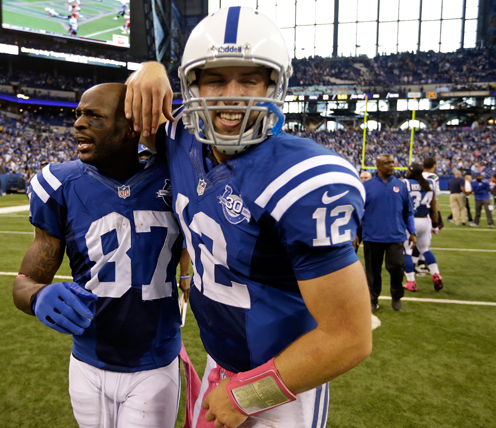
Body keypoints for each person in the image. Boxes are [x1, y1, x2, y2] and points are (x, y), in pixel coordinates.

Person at [126, 7, 372, 428]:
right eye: (216, 79)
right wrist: (147, 69)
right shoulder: (180, 138)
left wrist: (246, 397)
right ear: (192, 84)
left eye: (250, 79)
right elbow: (127, 108)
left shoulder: (303, 177)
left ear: (274, 86)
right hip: (219, 364)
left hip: (285, 382)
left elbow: (349, 338)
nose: (232, 93)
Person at [13, 83, 185, 428]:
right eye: (78, 113)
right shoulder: (60, 183)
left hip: (153, 362)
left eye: (94, 116)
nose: (78, 123)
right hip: (87, 362)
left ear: (131, 127)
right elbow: (25, 282)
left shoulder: (175, 174)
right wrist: (37, 296)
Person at [361, 154, 416, 313]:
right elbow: (357, 212)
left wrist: (412, 231)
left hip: (396, 235)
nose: (392, 165)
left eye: (393, 162)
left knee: (397, 267)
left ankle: (396, 295)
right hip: (372, 236)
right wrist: (355, 232)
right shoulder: (366, 186)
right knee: (373, 271)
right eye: (387, 163)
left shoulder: (401, 185)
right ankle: (373, 299)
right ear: (378, 166)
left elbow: (408, 211)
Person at [402, 163, 443, 292]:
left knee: (407, 251)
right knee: (425, 249)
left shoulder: (405, 183)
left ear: (411, 172)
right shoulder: (430, 183)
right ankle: (436, 274)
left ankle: (411, 282)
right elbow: (434, 206)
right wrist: (435, 225)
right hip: (425, 220)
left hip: (410, 220)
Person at [353, 170, 372, 252]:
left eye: (366, 178)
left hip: (371, 225)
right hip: (358, 224)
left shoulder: (375, 191)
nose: (363, 179)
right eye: (361, 178)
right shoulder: (356, 191)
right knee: (353, 249)